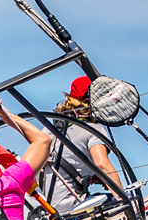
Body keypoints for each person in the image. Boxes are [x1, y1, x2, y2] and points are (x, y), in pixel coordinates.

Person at [41, 75, 124, 209]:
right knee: (146, 205)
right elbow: (102, 164)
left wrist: (90, 178)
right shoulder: (93, 129)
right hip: (76, 208)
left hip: (51, 212)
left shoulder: (50, 129)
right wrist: (123, 200)